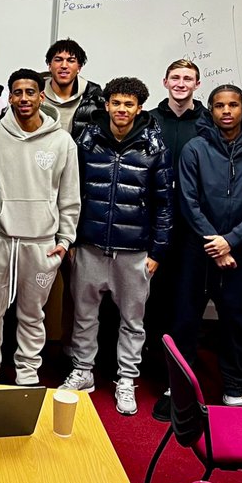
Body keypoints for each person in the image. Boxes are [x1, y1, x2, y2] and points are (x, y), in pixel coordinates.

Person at [61, 77, 172, 415]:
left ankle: (126, 379)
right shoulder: (87, 141)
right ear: (107, 105)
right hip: (90, 245)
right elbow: (72, 192)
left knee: (132, 322)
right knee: (83, 316)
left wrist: (157, 252)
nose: (122, 109)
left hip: (134, 251)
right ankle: (83, 371)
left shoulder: (154, 148)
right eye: (117, 103)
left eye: (129, 104)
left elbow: (164, 204)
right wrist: (72, 240)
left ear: (139, 109)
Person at [0, 69, 80, 385]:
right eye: (17, 92)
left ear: (41, 97)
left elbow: (69, 196)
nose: (23, 98)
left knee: (33, 315)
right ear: (9, 97)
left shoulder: (62, 141)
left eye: (30, 92)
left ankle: (27, 372)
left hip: (41, 243)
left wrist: (65, 240)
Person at [173, 85, 242, 406]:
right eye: (220, 105)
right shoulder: (195, 148)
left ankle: (233, 388)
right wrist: (215, 243)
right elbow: (188, 201)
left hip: (240, 252)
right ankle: (180, 388)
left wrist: (229, 241)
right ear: (211, 110)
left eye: (233, 105)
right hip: (198, 251)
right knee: (185, 321)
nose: (227, 111)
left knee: (237, 324)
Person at [148, 59, 206, 417]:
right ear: (165, 81)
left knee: (185, 304)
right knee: (151, 301)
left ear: (197, 84)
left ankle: (178, 383)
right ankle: (149, 369)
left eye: (188, 78)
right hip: (152, 224)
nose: (181, 83)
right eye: (175, 78)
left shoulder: (207, 123)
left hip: (191, 227)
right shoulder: (149, 120)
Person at [39, 38, 105, 141]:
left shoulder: (94, 98)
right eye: (58, 60)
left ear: (79, 67)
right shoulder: (35, 93)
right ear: (49, 65)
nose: (64, 66)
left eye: (71, 61)